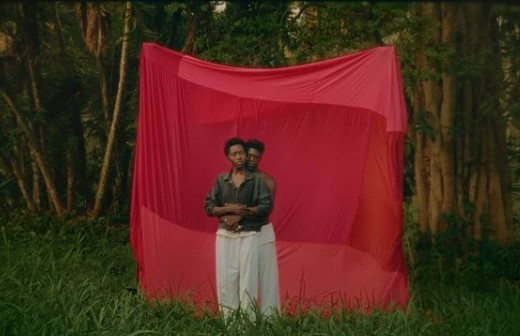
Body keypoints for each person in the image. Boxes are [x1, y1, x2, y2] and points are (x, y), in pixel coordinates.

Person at [204, 137, 273, 318]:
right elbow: (209, 207)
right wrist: (229, 211)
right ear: (228, 157)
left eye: (242, 153)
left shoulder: (257, 180)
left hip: (249, 235)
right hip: (225, 235)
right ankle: (229, 323)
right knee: (226, 281)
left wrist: (242, 214)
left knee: (247, 282)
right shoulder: (221, 179)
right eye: (235, 154)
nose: (240, 157)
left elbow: (265, 207)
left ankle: (246, 325)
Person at [245, 138, 280, 316]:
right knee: (244, 279)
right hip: (241, 234)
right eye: (248, 156)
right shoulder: (232, 179)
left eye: (255, 157)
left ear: (260, 158)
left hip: (262, 231)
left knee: (268, 278)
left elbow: (266, 209)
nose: (251, 160)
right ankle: (243, 322)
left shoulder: (268, 181)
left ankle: (270, 322)